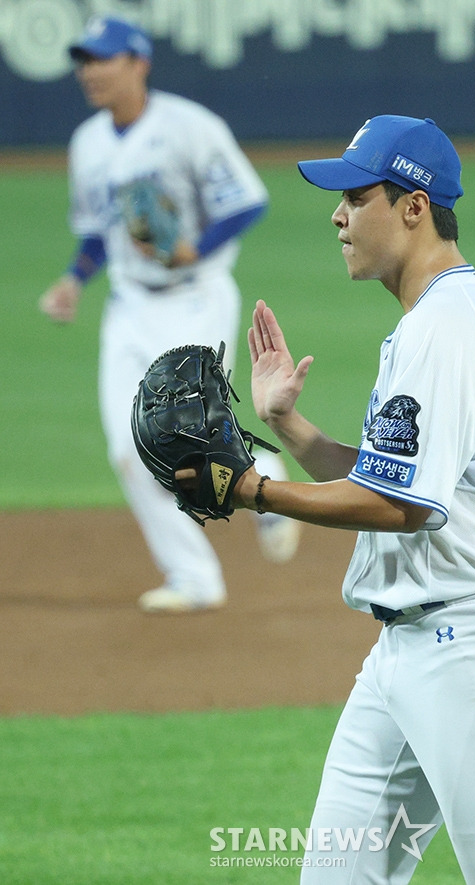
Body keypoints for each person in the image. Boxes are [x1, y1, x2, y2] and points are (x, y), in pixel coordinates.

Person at [229, 116, 475, 881]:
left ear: (413, 205)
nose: (337, 215)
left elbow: (402, 508)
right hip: (407, 654)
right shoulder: (436, 319)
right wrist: (289, 425)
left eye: (355, 195)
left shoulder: (446, 326)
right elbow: (397, 479)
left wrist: (254, 489)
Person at [39, 15, 299, 613]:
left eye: (103, 59)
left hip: (194, 296)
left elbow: (247, 200)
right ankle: (194, 578)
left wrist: (196, 249)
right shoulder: (88, 144)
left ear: (139, 63)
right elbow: (102, 231)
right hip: (127, 307)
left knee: (178, 431)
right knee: (128, 450)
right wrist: (74, 280)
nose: (90, 72)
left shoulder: (190, 127)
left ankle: (263, 470)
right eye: (84, 61)